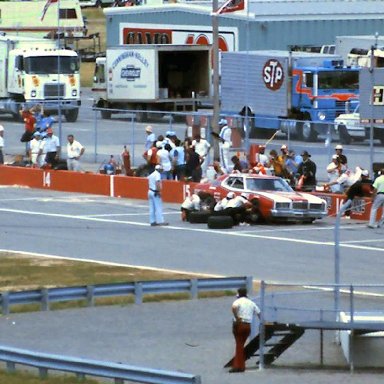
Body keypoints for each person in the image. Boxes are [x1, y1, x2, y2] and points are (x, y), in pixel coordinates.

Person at [230, 287, 260, 373]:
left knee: (239, 345)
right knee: (241, 345)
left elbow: (233, 308)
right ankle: (241, 365)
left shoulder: (238, 301)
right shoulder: (251, 303)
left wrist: (237, 317)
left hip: (239, 325)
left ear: (238, 294)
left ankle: (238, 367)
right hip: (248, 326)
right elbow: (259, 312)